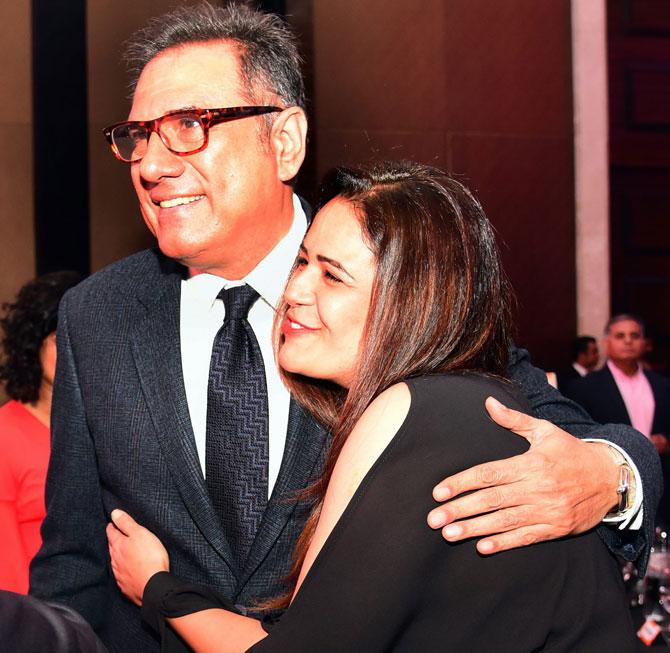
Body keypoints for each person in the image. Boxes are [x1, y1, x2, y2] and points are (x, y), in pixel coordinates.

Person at [29, 3, 660, 651]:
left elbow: (573, 435)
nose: (151, 166)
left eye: (188, 125)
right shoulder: (97, 315)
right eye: (138, 136)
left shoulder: (393, 289)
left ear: (285, 141)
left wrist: (610, 476)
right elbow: (72, 561)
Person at [108, 162, 638, 652]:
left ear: (411, 301)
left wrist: (158, 587)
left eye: (332, 276)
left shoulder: (414, 411)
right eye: (303, 263)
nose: (294, 291)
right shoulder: (460, 403)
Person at [0, 271, 81, 593]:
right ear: (33, 344)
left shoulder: (101, 426)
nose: (74, 350)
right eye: (60, 339)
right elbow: (7, 566)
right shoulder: (6, 434)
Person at [569, 314, 670, 521]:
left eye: (634, 335)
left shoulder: (662, 385)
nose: (628, 341)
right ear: (607, 343)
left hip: (660, 486)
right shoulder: (585, 387)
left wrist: (667, 442)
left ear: (644, 343)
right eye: (620, 335)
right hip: (611, 489)